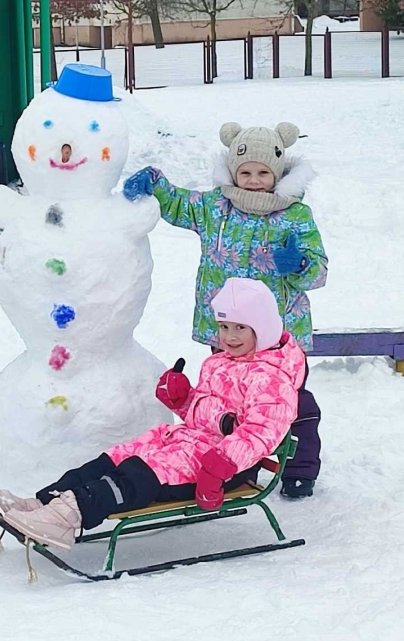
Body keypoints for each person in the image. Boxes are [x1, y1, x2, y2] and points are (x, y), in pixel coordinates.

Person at [0, 277, 305, 550]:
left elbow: (260, 432)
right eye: (224, 326)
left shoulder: (273, 379)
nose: (229, 336)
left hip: (221, 464)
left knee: (138, 474)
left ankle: (67, 515)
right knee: (117, 457)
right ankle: (46, 502)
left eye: (240, 328)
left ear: (262, 329)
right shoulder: (220, 362)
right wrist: (183, 399)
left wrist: (220, 466)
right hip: (188, 442)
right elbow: (206, 415)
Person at [122, 121, 327, 499]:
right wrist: (155, 181)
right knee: (227, 402)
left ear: (278, 172)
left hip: (277, 342)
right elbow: (178, 204)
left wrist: (298, 263)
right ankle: (229, 465)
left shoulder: (295, 216)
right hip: (228, 333)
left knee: (292, 405)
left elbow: (318, 271)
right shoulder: (216, 207)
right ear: (233, 170)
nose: (252, 180)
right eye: (245, 171)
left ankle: (300, 468)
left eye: (263, 172)